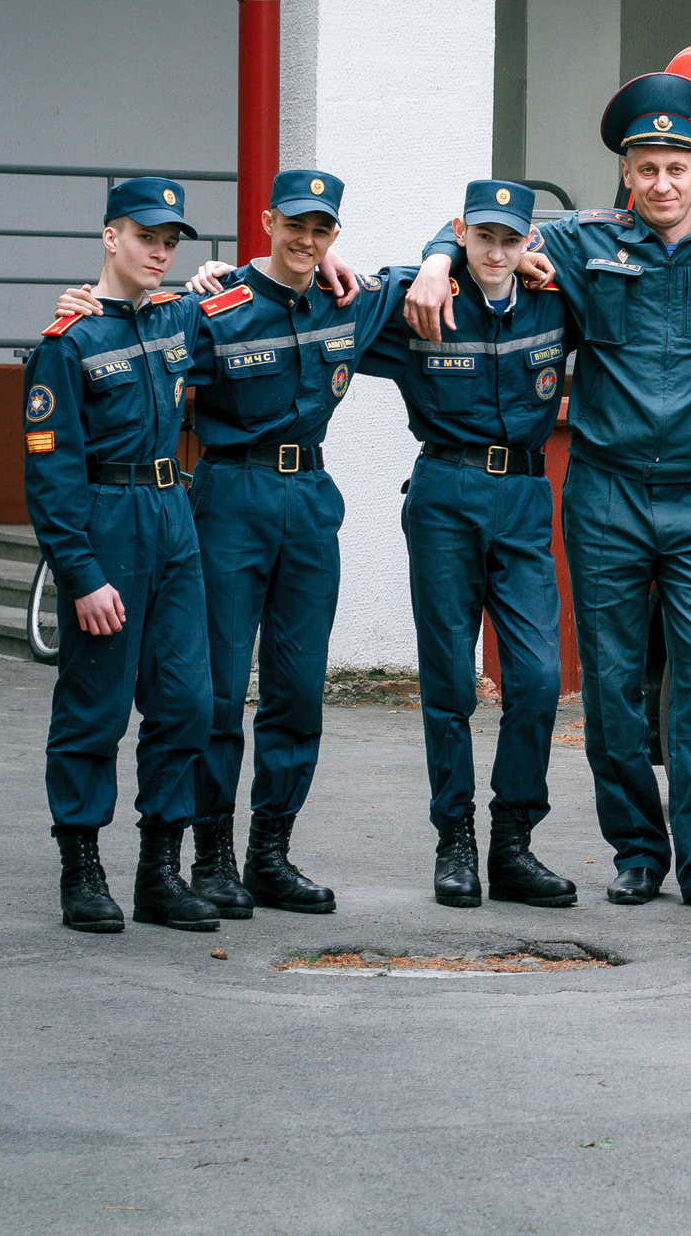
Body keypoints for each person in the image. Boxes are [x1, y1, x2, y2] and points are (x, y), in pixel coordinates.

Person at [401, 73, 691, 915]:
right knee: (615, 683)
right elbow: (486, 225)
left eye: (677, 168)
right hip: (606, 495)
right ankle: (637, 852)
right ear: (627, 171)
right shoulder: (583, 245)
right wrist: (440, 259)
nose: (661, 183)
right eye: (646, 166)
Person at [57, 169, 417, 916]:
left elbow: (456, 259)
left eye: (322, 229)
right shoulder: (214, 309)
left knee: (296, 687)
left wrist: (447, 257)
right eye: (295, 224)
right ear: (266, 219)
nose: (306, 240)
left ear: (335, 236)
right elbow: (133, 328)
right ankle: (210, 854)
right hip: (226, 499)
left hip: (311, 503)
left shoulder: (353, 300)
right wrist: (84, 304)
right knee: (214, 689)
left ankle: (271, 852)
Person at [355, 179, 576, 911]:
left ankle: (513, 842)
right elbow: (322, 291)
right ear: (461, 232)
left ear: (528, 243)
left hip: (521, 497)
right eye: (482, 237)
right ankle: (456, 839)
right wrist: (430, 261)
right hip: (446, 492)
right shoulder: (423, 300)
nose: (496, 251)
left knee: (539, 677)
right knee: (450, 682)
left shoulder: (556, 298)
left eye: (510, 239)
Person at [23, 178, 215, 933]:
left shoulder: (180, 318)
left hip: (173, 516)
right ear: (111, 237)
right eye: (146, 238)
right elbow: (50, 470)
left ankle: (159, 872)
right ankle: (82, 867)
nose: (160, 252)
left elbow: (262, 297)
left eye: (170, 242)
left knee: (188, 700)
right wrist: (81, 571)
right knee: (94, 708)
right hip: (106, 523)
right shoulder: (66, 343)